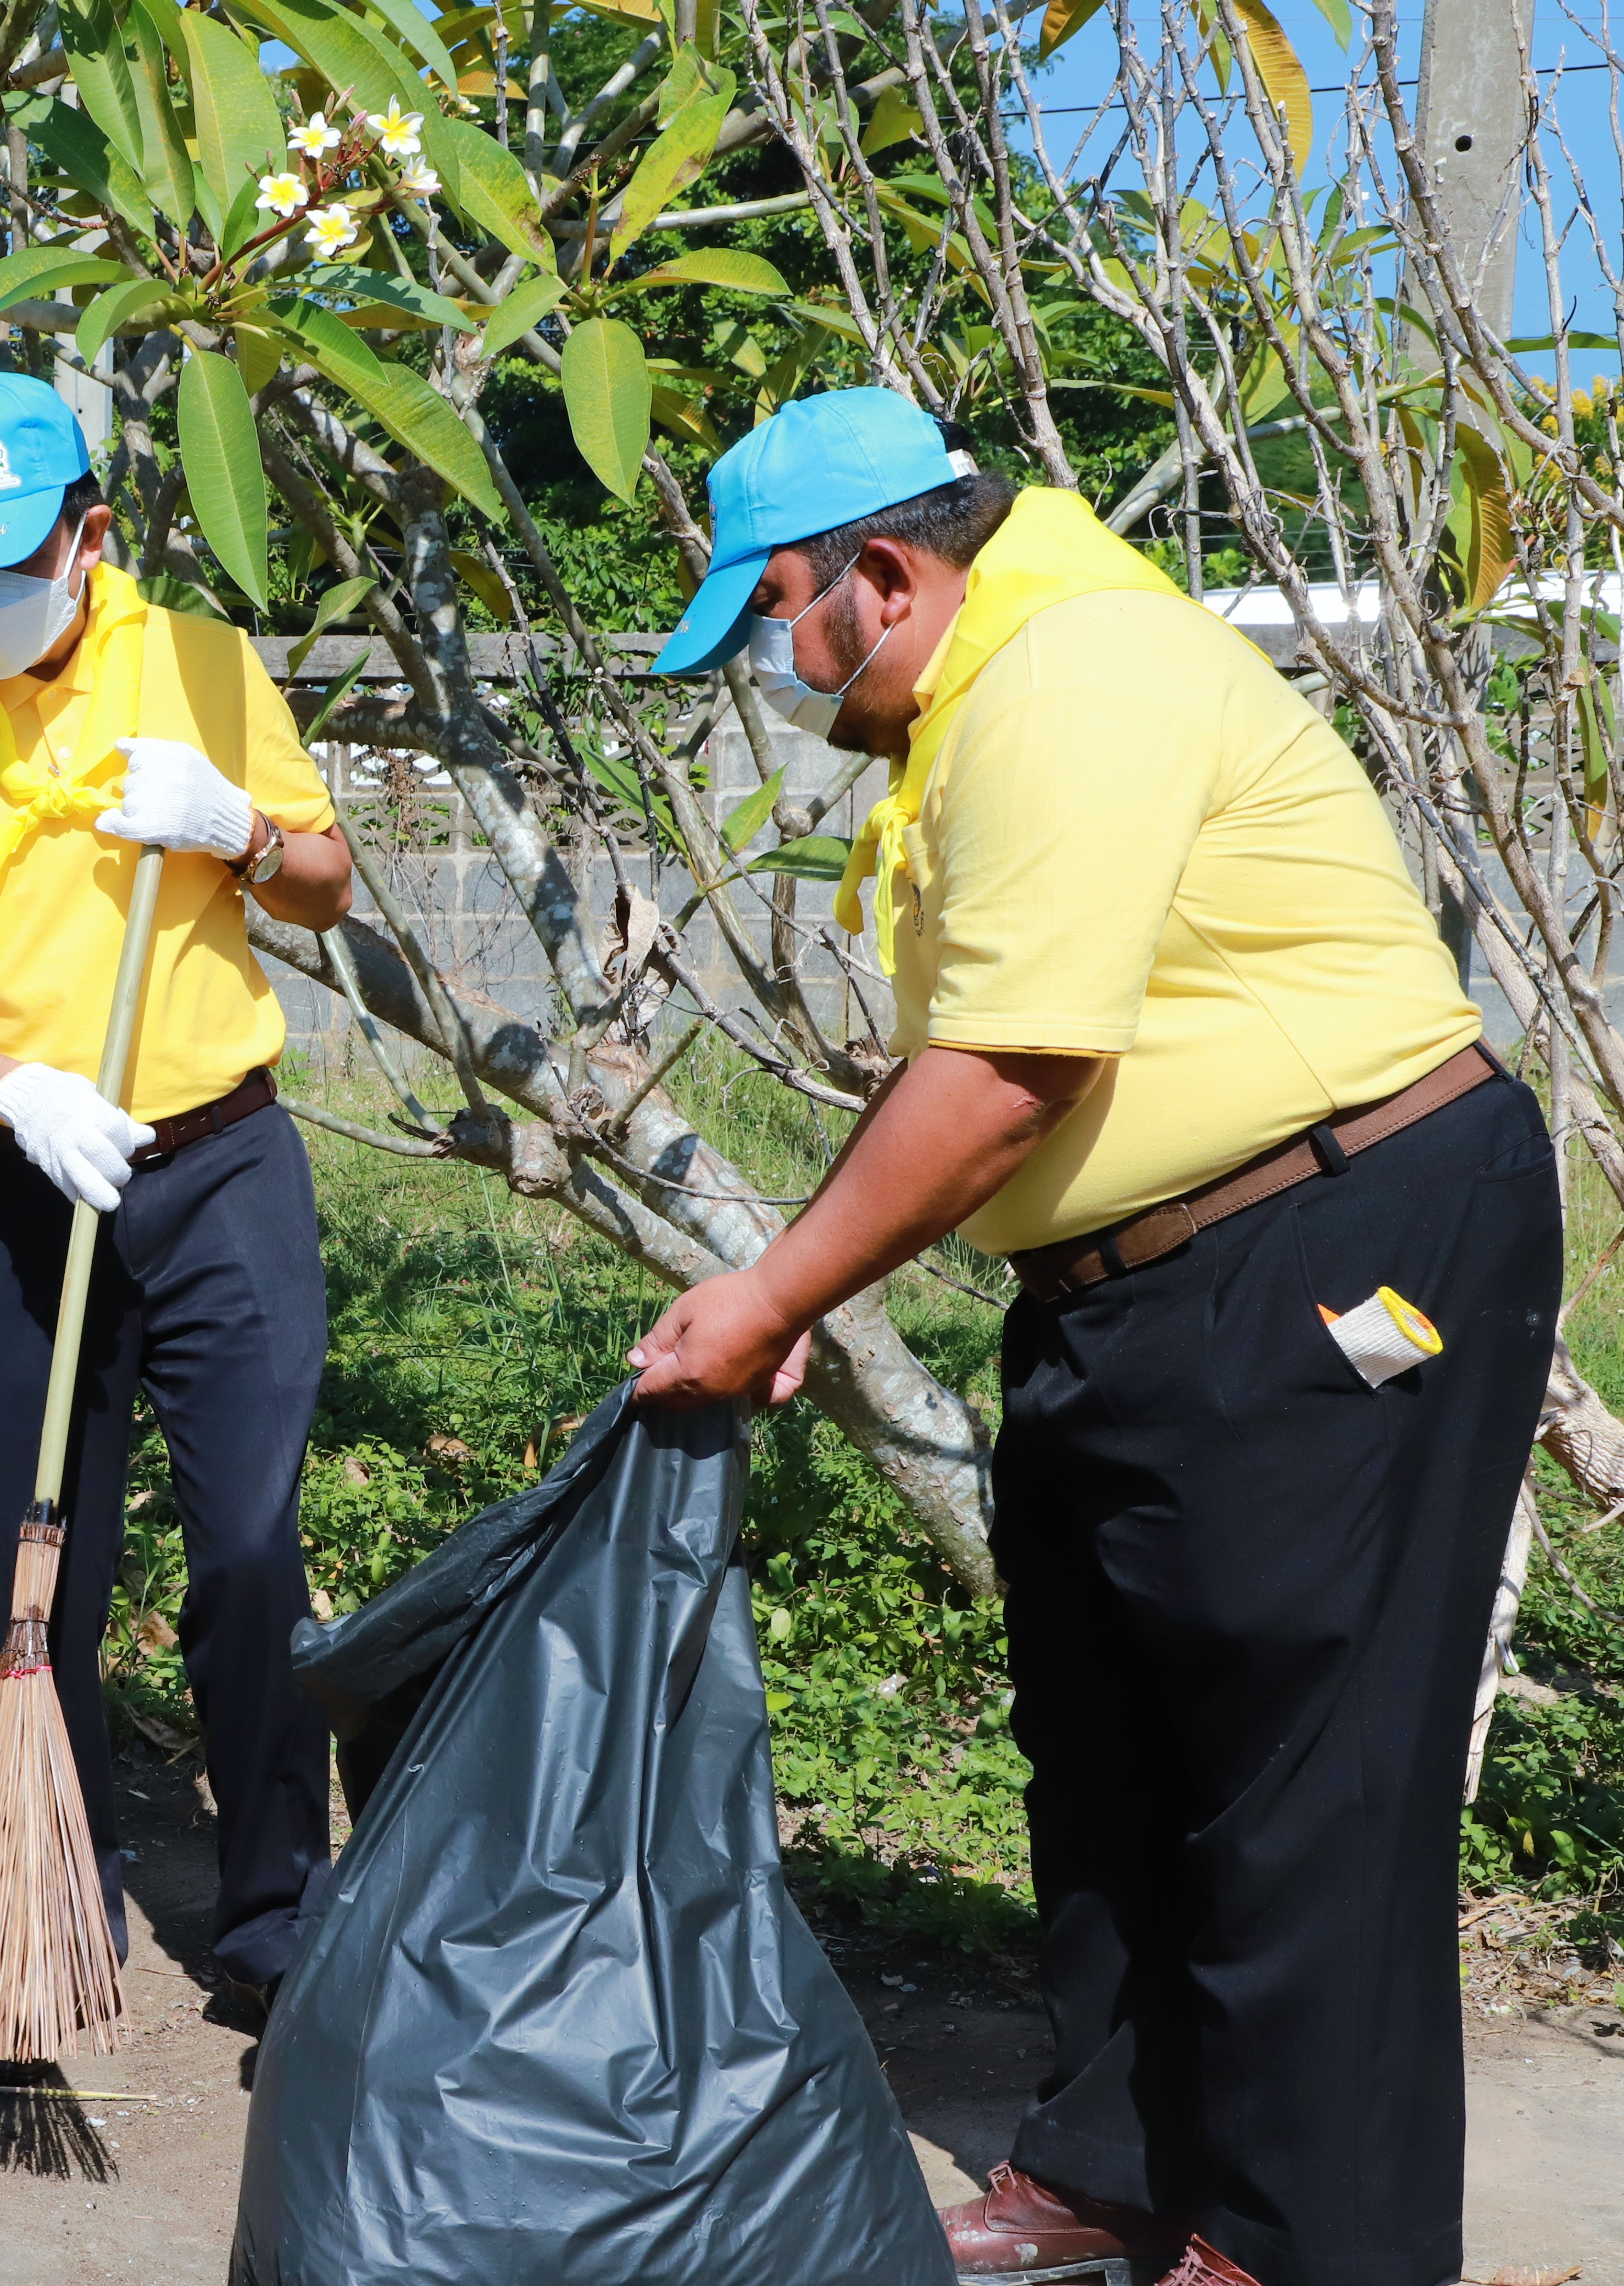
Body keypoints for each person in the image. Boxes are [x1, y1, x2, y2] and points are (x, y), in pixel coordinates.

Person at [629, 388, 1555, 2286]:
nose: (773, 673)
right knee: (1110, 1732)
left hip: (1333, 1241)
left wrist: (781, 1286)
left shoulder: (1073, 676)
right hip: (1132, 1282)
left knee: (1306, 1761)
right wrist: (813, 1272)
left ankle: (1313, 2241)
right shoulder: (978, 700)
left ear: (885, 576)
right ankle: (1118, 2167)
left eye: (775, 617)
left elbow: (1007, 1066)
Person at [0, 371, 357, 2014]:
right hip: (13, 1190)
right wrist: (15, 1091)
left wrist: (240, 830)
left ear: (89, 533)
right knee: (27, 1561)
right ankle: (48, 1895)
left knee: (253, 1550)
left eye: (4, 561)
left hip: (217, 1167)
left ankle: (274, 1913)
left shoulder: (197, 666)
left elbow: (328, 890)